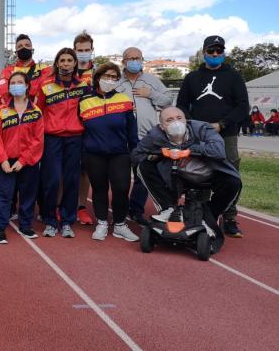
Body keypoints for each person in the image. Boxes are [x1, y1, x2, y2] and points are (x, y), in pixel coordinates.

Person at [132, 107, 242, 253]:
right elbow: (135, 155)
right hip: (176, 176)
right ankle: (167, 208)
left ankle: (209, 216)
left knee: (233, 182)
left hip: (208, 175)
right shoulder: (155, 135)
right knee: (143, 166)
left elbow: (218, 151)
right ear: (162, 126)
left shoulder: (202, 128)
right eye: (169, 120)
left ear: (185, 120)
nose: (175, 123)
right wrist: (159, 154)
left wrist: (189, 150)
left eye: (179, 118)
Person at [176, 35, 249, 237]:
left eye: (219, 50)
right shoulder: (192, 78)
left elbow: (243, 106)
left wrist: (221, 124)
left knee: (230, 173)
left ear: (223, 52)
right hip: (198, 135)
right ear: (204, 52)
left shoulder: (234, 76)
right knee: (199, 171)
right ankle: (201, 213)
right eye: (211, 51)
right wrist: (195, 126)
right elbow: (182, 104)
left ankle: (229, 217)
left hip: (226, 134)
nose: (215, 54)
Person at [79, 62, 139, 242]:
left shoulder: (124, 100)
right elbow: (80, 129)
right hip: (93, 153)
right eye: (107, 76)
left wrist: (135, 152)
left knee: (121, 188)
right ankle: (102, 222)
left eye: (114, 77)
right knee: (99, 189)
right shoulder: (84, 101)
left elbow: (132, 130)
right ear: (98, 78)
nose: (110, 80)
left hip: (120, 153)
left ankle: (120, 224)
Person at [35, 48, 89, 238]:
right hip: (52, 138)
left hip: (75, 138)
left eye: (69, 60)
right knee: (52, 180)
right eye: (62, 60)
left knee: (72, 180)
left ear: (75, 63)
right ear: (57, 63)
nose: (66, 63)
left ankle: (67, 221)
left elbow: (87, 111)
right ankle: (50, 220)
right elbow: (38, 113)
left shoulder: (84, 85)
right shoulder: (46, 85)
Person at [117, 46, 173, 224]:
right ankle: (119, 210)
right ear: (123, 61)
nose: (135, 61)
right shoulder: (116, 80)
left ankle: (136, 209)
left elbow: (167, 100)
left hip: (145, 138)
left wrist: (151, 94)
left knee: (142, 175)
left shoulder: (152, 81)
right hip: (121, 137)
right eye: (130, 58)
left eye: (138, 58)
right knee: (120, 178)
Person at [0, 72, 45, 244]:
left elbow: (38, 140)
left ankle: (25, 225)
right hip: (7, 162)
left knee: (28, 194)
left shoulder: (36, 111)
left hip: (28, 162)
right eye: (12, 82)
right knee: (4, 195)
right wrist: (3, 160)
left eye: (20, 82)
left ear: (27, 85)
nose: (16, 85)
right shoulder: (1, 111)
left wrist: (23, 160)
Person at [73, 31, 95, 225]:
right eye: (80, 50)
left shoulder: (98, 74)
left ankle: (81, 207)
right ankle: (59, 206)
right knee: (63, 170)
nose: (83, 53)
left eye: (86, 50)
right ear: (74, 50)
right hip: (67, 128)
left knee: (84, 171)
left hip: (90, 129)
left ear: (92, 50)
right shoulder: (65, 70)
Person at [0, 34, 48, 101]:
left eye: (27, 45)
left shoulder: (44, 69)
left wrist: (18, 90)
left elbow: (46, 89)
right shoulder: (8, 70)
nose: (23, 48)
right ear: (16, 53)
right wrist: (34, 91)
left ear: (32, 50)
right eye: (20, 46)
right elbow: (4, 93)